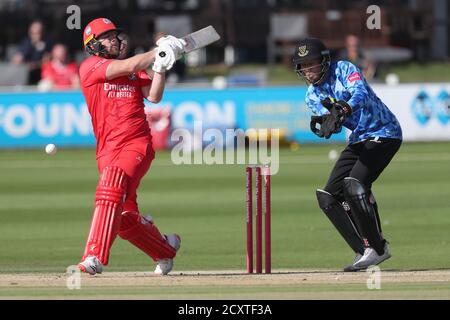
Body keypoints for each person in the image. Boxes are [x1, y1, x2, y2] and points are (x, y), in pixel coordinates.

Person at [77, 17, 185, 275]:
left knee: (111, 184)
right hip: (106, 150)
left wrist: (161, 66)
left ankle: (94, 255)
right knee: (124, 216)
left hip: (136, 143)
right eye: (107, 37)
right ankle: (165, 249)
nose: (114, 40)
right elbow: (128, 64)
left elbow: (155, 96)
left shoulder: (134, 71)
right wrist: (157, 52)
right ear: (93, 45)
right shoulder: (90, 67)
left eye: (115, 35)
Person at [293, 38, 402, 271]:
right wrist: (329, 123)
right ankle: (363, 251)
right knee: (329, 196)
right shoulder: (311, 96)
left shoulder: (344, 68)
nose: (308, 70)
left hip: (385, 131)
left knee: (355, 183)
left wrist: (345, 107)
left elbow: (359, 93)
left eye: (312, 63)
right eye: (303, 66)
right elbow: (334, 120)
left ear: (324, 61)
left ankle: (378, 248)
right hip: (359, 138)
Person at [12, 20, 51, 85]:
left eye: (38, 32)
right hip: (24, 72)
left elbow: (47, 61)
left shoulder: (47, 42)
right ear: (29, 32)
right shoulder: (25, 42)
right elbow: (16, 59)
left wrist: (35, 65)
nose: (35, 34)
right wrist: (24, 65)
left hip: (39, 72)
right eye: (33, 32)